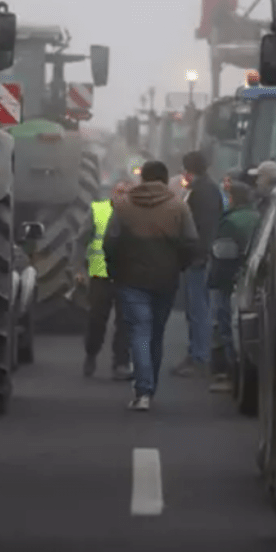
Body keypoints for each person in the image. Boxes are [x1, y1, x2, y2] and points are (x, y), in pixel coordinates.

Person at [103, 161, 199, 411]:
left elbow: (110, 242)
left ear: (142, 179)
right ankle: (150, 387)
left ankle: (142, 392)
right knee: (156, 333)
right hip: (165, 280)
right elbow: (191, 243)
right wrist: (179, 266)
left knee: (139, 332)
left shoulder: (123, 207)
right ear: (166, 180)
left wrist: (114, 270)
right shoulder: (179, 206)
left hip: (130, 279)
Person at [170, 151, 223, 378]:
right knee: (195, 309)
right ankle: (196, 353)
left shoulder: (203, 192)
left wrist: (198, 254)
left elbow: (204, 227)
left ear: (189, 170)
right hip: (198, 256)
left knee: (199, 309)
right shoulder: (206, 189)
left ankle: (199, 356)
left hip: (199, 259)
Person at [74, 178, 132, 380]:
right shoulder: (98, 210)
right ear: (112, 193)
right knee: (97, 319)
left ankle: (121, 363)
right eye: (119, 191)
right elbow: (81, 240)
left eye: (126, 192)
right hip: (100, 273)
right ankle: (91, 353)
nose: (122, 196)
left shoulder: (137, 216)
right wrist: (79, 268)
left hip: (127, 275)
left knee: (125, 322)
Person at [206, 181, 261, 393]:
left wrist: (215, 282)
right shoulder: (258, 217)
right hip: (250, 279)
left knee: (225, 326)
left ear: (232, 198)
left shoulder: (230, 222)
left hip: (228, 282)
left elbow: (222, 254)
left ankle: (229, 374)